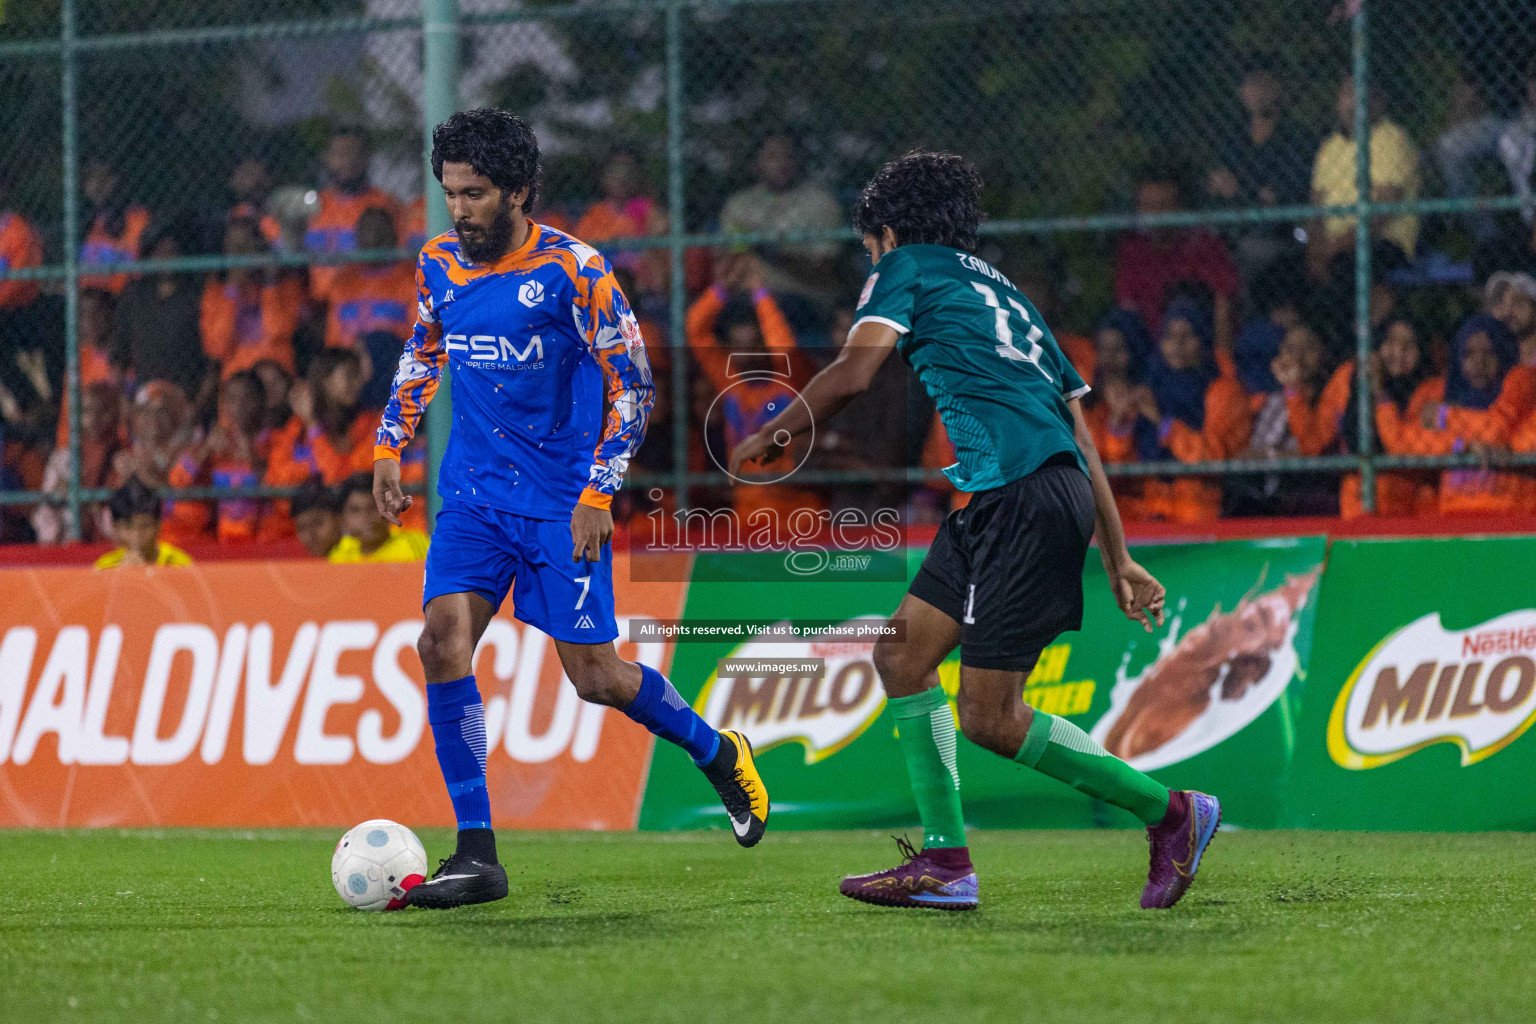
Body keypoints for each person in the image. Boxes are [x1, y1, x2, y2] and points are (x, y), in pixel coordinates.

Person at [729, 150, 1216, 913]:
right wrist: (1117, 557)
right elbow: (1081, 437)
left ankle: (1173, 814)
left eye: (868, 245)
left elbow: (856, 373)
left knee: (991, 715)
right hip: (1011, 496)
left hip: (1019, 497)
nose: (869, 259)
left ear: (888, 232)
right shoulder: (1010, 295)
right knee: (902, 653)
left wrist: (776, 433)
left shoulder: (907, 268)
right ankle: (945, 861)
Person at [371, 108, 769, 908]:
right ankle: (477, 854)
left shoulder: (576, 270)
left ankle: (718, 753)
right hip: (474, 499)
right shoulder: (439, 263)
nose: (460, 209)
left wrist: (598, 490)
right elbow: (422, 351)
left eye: (476, 194)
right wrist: (389, 445)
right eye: (450, 193)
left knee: (595, 678)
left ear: (520, 191)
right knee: (440, 642)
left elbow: (635, 386)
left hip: (561, 506)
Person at [686, 252, 821, 517]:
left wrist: (760, 294)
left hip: (797, 513)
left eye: (753, 346)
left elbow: (786, 349)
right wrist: (721, 290)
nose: (746, 355)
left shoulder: (791, 381)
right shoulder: (731, 384)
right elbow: (696, 330)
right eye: (739, 346)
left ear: (765, 346)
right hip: (746, 514)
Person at [1377, 314, 1522, 515]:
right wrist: (1460, 446)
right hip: (1451, 518)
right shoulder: (1437, 392)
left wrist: (1446, 416)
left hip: (1511, 517)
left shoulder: (1520, 385)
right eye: (1468, 354)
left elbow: (1498, 429)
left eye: (1489, 353)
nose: (1479, 362)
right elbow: (1403, 444)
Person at [1133, 301, 1252, 522]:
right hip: (1154, 511)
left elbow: (1211, 458)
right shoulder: (1151, 388)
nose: (1177, 344)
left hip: (1204, 509)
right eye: (1170, 336)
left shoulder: (1223, 391)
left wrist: (1164, 424)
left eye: (1188, 336)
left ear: (1203, 340)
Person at [1206, 60, 1314, 284]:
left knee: (1252, 252)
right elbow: (1215, 187)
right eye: (1250, 84)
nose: (1256, 92)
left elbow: (1280, 196)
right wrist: (1251, 192)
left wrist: (1239, 190)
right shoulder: (1232, 140)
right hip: (1230, 228)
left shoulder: (1296, 138)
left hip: (1278, 233)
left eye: (1263, 83)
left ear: (1278, 88)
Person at [1113, 165, 1239, 352]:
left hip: (1194, 347)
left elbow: (1224, 302)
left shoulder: (1203, 244)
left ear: (1179, 207)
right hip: (1148, 346)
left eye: (1163, 206)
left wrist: (1222, 359)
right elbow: (1127, 304)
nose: (1155, 215)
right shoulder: (1133, 248)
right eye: (1148, 206)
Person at [1308, 77, 1420, 279]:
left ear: (1378, 102)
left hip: (1381, 241)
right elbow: (1316, 209)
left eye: (1358, 92)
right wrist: (1316, 252)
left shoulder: (1391, 138)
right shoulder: (1330, 147)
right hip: (1331, 247)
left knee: (1344, 269)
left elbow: (1383, 210)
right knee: (1280, 271)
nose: (1352, 101)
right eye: (1346, 93)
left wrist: (1334, 247)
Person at [718, 134, 843, 310]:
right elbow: (724, 264)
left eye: (788, 156)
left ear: (798, 162)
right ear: (756, 163)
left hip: (801, 299)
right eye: (772, 157)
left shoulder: (820, 203)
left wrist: (768, 251)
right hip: (748, 298)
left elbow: (824, 271)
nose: (781, 164)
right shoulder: (738, 204)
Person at [166, 370, 271, 544]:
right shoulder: (212, 445)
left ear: (261, 402)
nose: (238, 406)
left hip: (264, 540)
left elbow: (274, 490)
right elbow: (177, 482)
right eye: (231, 398)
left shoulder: (274, 442)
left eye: (246, 398)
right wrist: (205, 450)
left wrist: (251, 456)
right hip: (220, 542)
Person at [111, 223, 210, 401]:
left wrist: (195, 408)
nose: (167, 258)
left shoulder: (195, 296)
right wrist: (123, 401)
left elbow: (211, 363)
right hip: (144, 399)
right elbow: (119, 355)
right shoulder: (135, 294)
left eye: (173, 252)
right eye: (161, 252)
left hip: (186, 396)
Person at [305, 127, 404, 301]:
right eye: (339, 154)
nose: (347, 162)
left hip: (361, 302)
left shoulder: (383, 204)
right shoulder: (313, 205)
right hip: (314, 301)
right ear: (328, 158)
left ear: (366, 158)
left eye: (353, 154)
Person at [201, 217, 304, 378]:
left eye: (245, 247)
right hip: (237, 377)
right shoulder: (216, 292)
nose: (239, 256)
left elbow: (278, 332)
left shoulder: (286, 285)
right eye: (234, 249)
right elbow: (217, 346)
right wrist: (232, 290)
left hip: (276, 371)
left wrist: (270, 284)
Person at [32, 380, 123, 544]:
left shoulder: (124, 459)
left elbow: (128, 522)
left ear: (116, 413)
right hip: (66, 544)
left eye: (103, 410)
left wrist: (94, 507)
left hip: (110, 545)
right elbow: (44, 515)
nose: (94, 418)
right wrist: (58, 501)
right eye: (87, 411)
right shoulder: (63, 459)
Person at [575, 149, 669, 296]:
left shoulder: (645, 207)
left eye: (627, 172)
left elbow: (660, 232)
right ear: (604, 178)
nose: (621, 178)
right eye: (615, 172)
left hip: (641, 281)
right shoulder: (595, 214)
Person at [79, 159, 151, 295]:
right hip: (92, 297)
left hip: (128, 298)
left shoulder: (138, 217)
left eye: (104, 177)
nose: (97, 185)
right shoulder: (86, 221)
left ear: (116, 179)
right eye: (92, 178)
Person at [94, 477, 193, 569]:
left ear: (158, 526)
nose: (137, 536)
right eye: (128, 527)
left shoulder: (181, 565)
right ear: (116, 529)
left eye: (145, 526)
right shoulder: (105, 567)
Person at [327, 472, 429, 562]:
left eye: (373, 507)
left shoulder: (413, 547)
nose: (365, 517)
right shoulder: (342, 553)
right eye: (355, 510)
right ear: (343, 519)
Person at [291, 476, 343, 558]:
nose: (311, 535)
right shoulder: (294, 562)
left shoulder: (361, 557)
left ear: (339, 520)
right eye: (302, 528)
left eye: (318, 523)